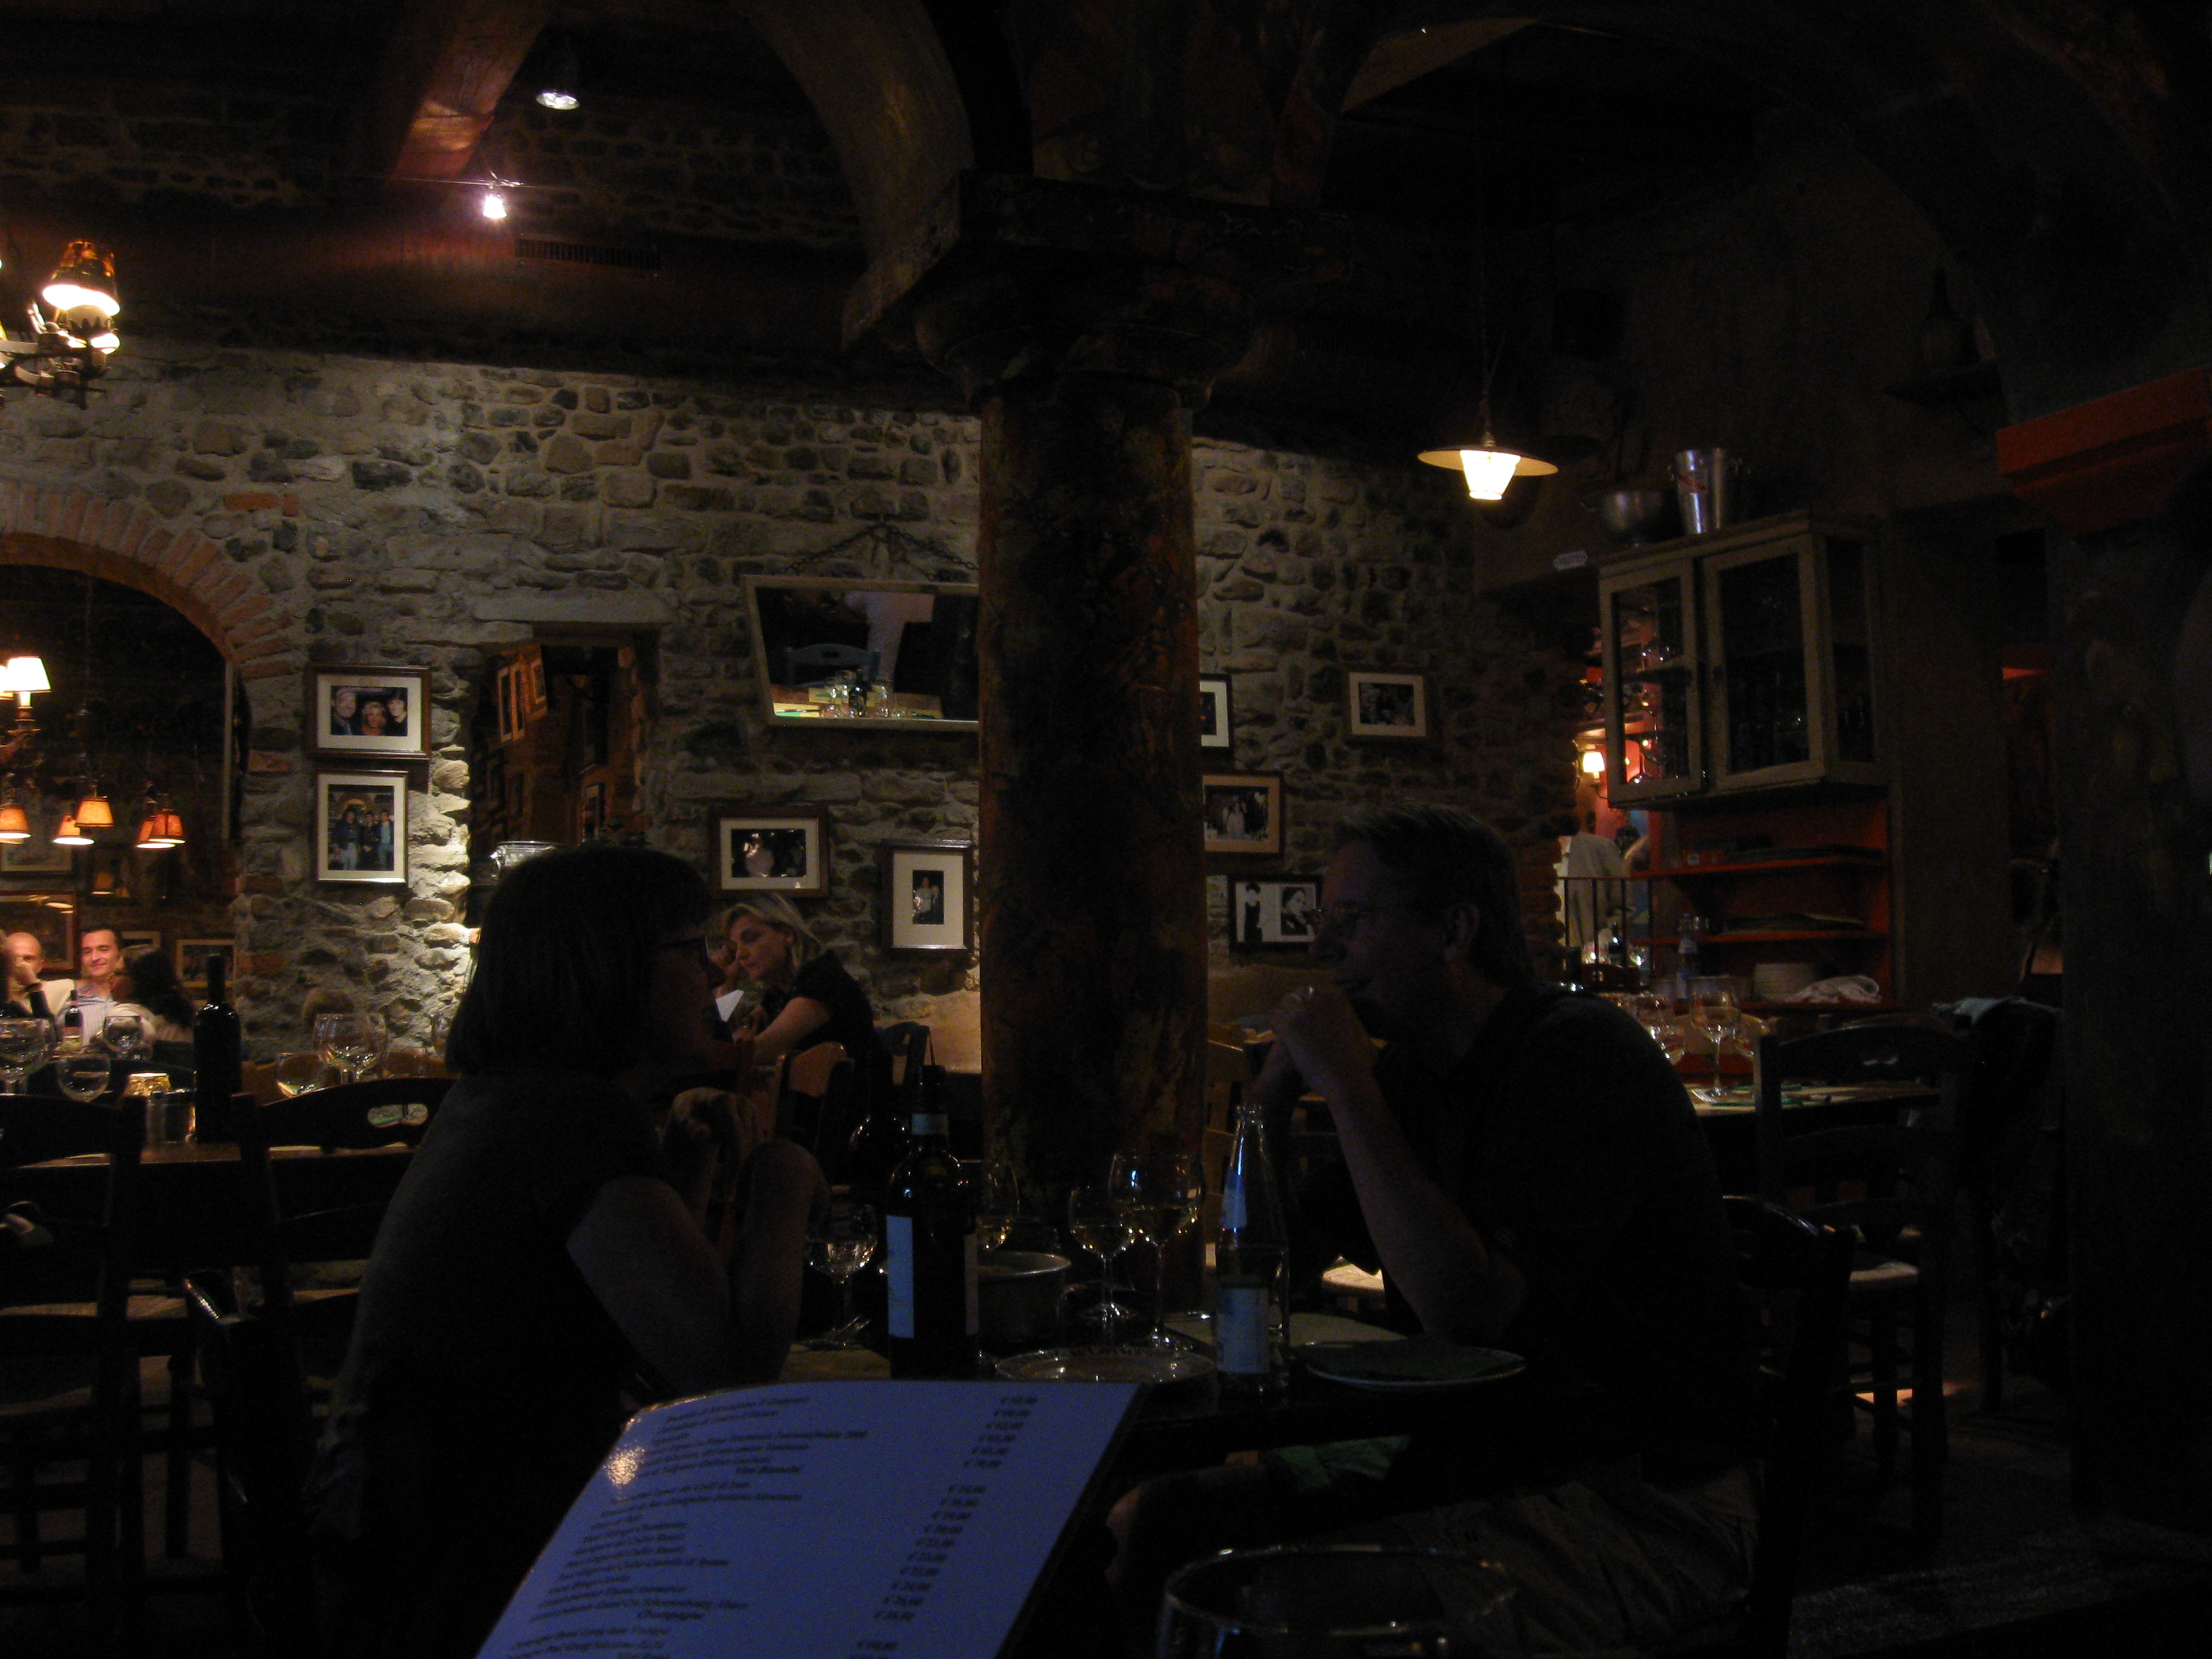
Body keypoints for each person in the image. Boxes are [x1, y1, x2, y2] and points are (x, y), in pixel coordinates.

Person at [1111, 806, 1759, 1655]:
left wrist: (1348, 1085)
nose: (1322, 949)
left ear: (1454, 931)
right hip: (1483, 1462)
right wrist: (1271, 1097)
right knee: (1157, 1521)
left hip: (1645, 1496)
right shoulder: (1420, 1072)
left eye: (1352, 920)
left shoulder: (1576, 1055)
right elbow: (1265, 1273)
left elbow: (1469, 1312)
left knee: (1277, 1607)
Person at [306, 844, 825, 1659]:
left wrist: (687, 1160)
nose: (715, 972)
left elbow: (640, 1330)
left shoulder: (513, 1098)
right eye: (690, 949)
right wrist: (785, 1173)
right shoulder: (569, 1116)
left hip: (394, 1528)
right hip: (457, 1576)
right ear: (608, 969)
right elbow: (727, 1370)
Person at [714, 895, 888, 1107]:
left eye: (750, 939)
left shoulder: (823, 979)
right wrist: (725, 984)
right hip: (813, 1111)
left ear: (787, 935)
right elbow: (734, 1043)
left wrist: (704, 1054)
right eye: (735, 947)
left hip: (849, 1116)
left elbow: (757, 1051)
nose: (740, 955)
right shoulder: (779, 993)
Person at [110, 947, 196, 1043]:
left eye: (117, 973)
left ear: (140, 980)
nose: (110, 978)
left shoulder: (123, 1013)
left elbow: (149, 1035)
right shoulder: (181, 1015)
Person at [4, 930, 62, 1022]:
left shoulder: (61, 989)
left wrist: (33, 986)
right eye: (13, 958)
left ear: (40, 966)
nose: (20, 964)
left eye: (28, 959)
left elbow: (46, 1028)